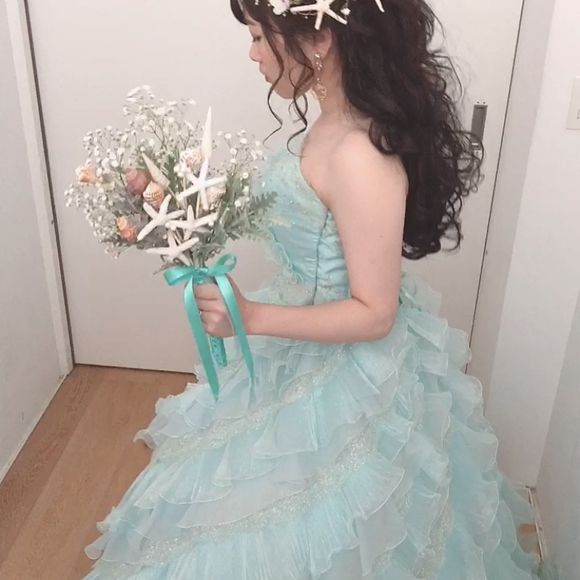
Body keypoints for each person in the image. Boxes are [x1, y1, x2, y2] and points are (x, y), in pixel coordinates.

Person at [82, 0, 546, 578]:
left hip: (348, 361)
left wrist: (250, 316)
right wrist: (182, 213)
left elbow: (375, 313)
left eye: (260, 36)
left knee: (333, 518)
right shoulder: (329, 122)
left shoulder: (359, 153)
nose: (252, 53)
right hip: (299, 330)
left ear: (320, 39)